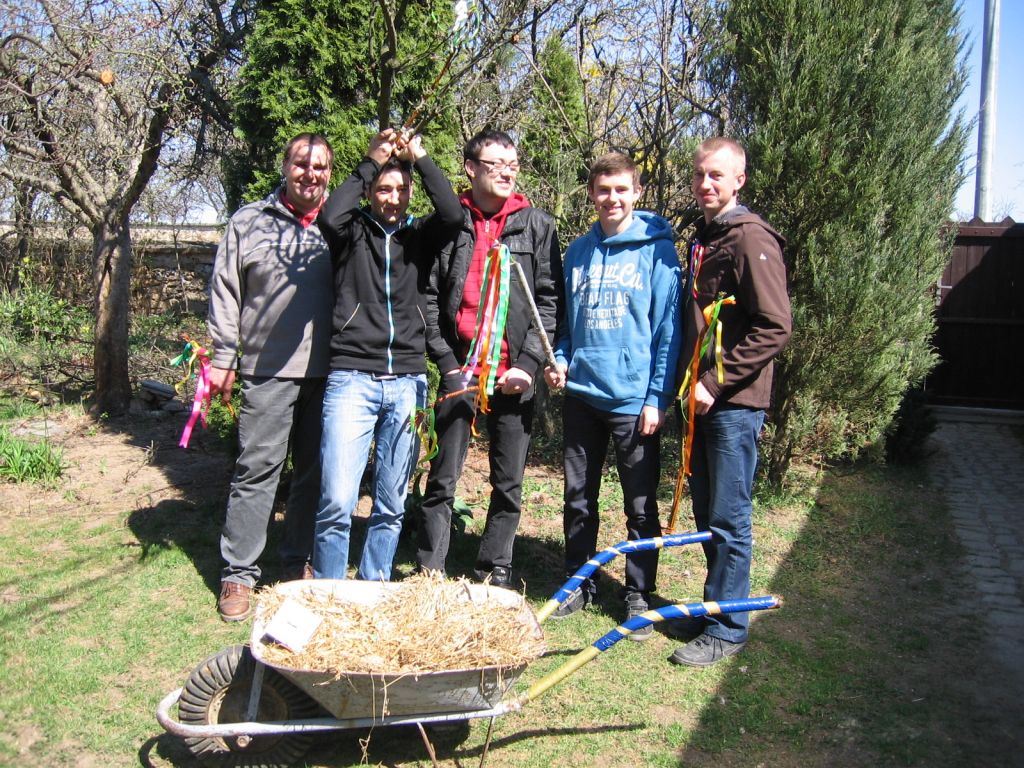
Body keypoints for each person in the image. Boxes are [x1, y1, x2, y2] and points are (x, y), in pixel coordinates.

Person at [312, 129, 462, 581]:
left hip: (408, 383)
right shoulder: (351, 231)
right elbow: (330, 215)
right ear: (371, 192)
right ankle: (331, 592)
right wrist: (372, 161)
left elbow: (453, 214)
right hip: (352, 379)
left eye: (401, 189)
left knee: (391, 502)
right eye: (383, 189)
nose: (393, 198)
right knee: (337, 500)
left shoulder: (419, 236)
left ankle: (374, 583)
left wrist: (419, 156)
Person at [544, 152, 681, 640]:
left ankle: (638, 593)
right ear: (591, 194)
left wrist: (656, 397)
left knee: (640, 505)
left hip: (632, 402)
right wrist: (561, 360)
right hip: (582, 395)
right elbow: (567, 327)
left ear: (637, 192)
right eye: (603, 190)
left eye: (622, 189)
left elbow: (668, 332)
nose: (612, 198)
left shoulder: (659, 253)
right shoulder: (577, 253)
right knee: (578, 498)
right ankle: (578, 581)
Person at [417, 130, 562, 587]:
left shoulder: (537, 225)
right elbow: (427, 296)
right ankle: (429, 570)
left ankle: (494, 568)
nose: (506, 171)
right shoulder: (449, 222)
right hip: (461, 370)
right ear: (471, 168)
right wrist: (446, 361)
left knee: (508, 481)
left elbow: (548, 303)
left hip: (512, 374)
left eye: (512, 164)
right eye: (495, 163)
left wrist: (529, 364)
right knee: (443, 476)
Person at [668, 136, 792, 665]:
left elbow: (775, 326)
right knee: (708, 512)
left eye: (716, 175)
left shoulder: (749, 238)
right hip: (702, 403)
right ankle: (714, 606)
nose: (705, 184)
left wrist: (715, 383)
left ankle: (728, 628)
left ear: (739, 179)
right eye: (699, 174)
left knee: (729, 516)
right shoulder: (707, 236)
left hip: (734, 406)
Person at [209, 133, 335, 621]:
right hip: (267, 370)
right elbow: (225, 291)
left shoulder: (338, 222)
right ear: (285, 167)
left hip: (330, 372)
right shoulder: (248, 222)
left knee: (312, 474)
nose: (310, 173)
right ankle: (238, 573)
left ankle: (295, 561)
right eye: (301, 164)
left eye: (320, 166)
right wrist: (224, 357)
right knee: (257, 471)